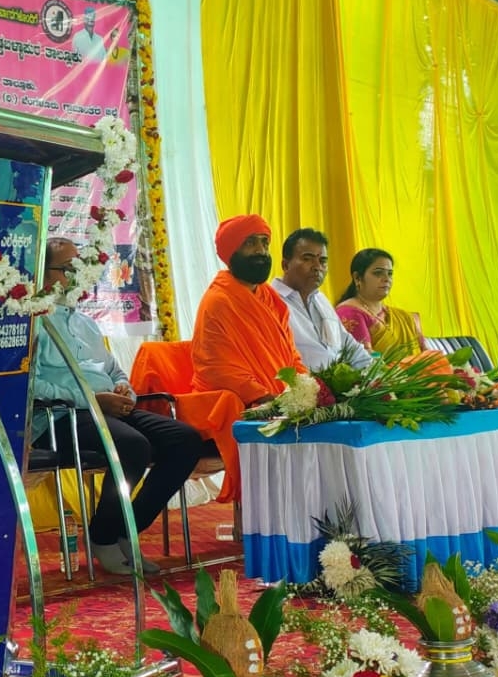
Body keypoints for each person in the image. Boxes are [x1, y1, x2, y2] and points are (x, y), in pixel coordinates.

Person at [32, 238, 204, 575]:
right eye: (69, 269)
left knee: (184, 440)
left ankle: (127, 528)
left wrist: (125, 390)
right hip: (63, 416)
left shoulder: (86, 323)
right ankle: (103, 536)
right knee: (133, 446)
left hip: (109, 407)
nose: (79, 276)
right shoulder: (33, 322)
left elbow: (113, 370)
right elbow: (30, 386)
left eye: (82, 268)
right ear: (43, 274)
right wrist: (92, 400)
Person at [191, 214, 307, 405]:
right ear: (232, 252)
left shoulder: (270, 297)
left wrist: (307, 389)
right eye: (250, 243)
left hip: (281, 401)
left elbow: (291, 356)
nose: (261, 251)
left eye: (265, 243)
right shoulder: (217, 302)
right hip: (235, 404)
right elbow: (218, 370)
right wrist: (268, 400)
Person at [271, 228, 372, 371]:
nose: (317, 267)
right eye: (307, 259)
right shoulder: (270, 301)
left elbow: (349, 345)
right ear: (285, 265)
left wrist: (377, 375)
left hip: (336, 384)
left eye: (322, 261)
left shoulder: (321, 299)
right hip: (295, 383)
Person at [335, 248, 425, 356]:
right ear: (357, 278)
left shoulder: (404, 317)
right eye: (378, 273)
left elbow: (426, 354)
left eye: (390, 273)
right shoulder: (349, 312)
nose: (387, 279)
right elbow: (364, 360)